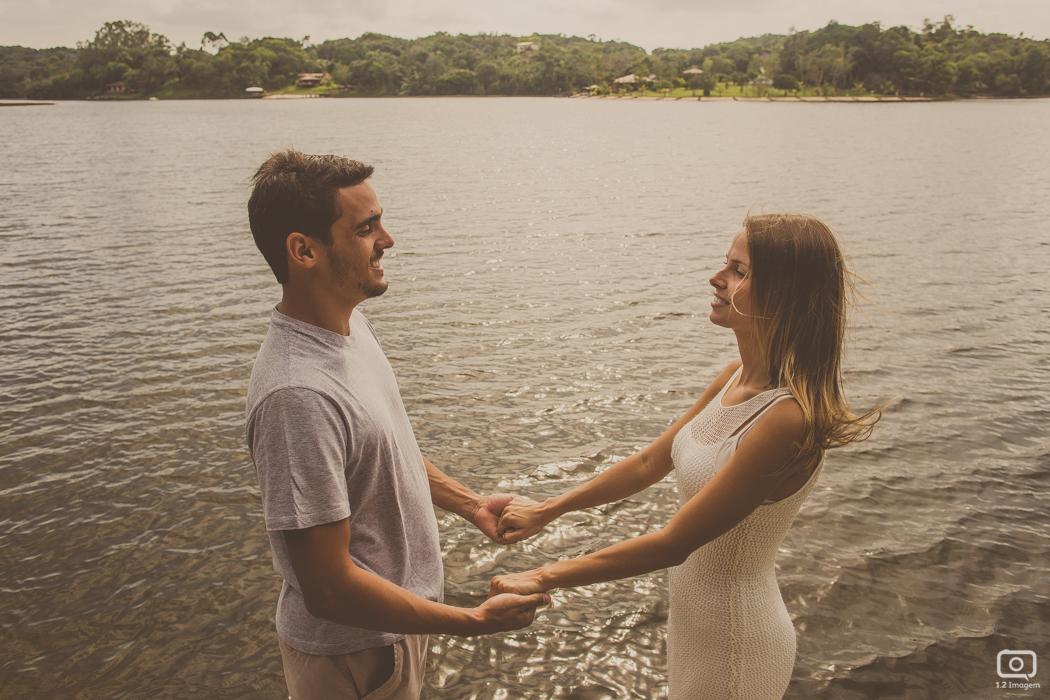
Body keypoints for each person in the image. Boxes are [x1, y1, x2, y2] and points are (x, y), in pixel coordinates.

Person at [491, 213, 883, 699]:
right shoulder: (733, 376)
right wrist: (549, 510)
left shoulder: (786, 419)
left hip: (737, 643)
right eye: (726, 264)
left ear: (784, 295)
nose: (717, 279)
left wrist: (542, 575)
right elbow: (650, 463)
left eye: (739, 271)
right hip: (696, 631)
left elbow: (675, 542)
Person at [244, 150, 549, 700]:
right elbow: (330, 590)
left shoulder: (346, 327)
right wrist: (474, 621)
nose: (388, 239)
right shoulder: (298, 395)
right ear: (303, 249)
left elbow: (384, 449)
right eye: (366, 228)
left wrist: (468, 503)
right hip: (352, 657)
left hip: (391, 631)